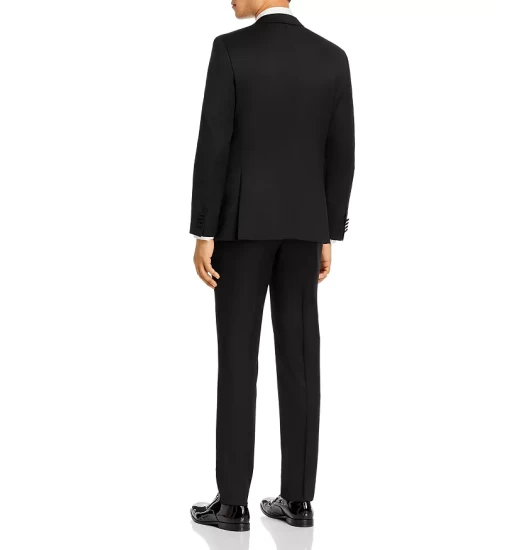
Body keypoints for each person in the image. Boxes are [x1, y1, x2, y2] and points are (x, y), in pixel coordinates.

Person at [190, 0, 355, 532]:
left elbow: (214, 143)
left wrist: (203, 231)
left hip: (241, 228)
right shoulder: (331, 57)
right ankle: (299, 501)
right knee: (301, 360)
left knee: (238, 361)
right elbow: (341, 151)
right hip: (306, 227)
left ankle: (232, 504)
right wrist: (328, 231)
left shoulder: (230, 50)